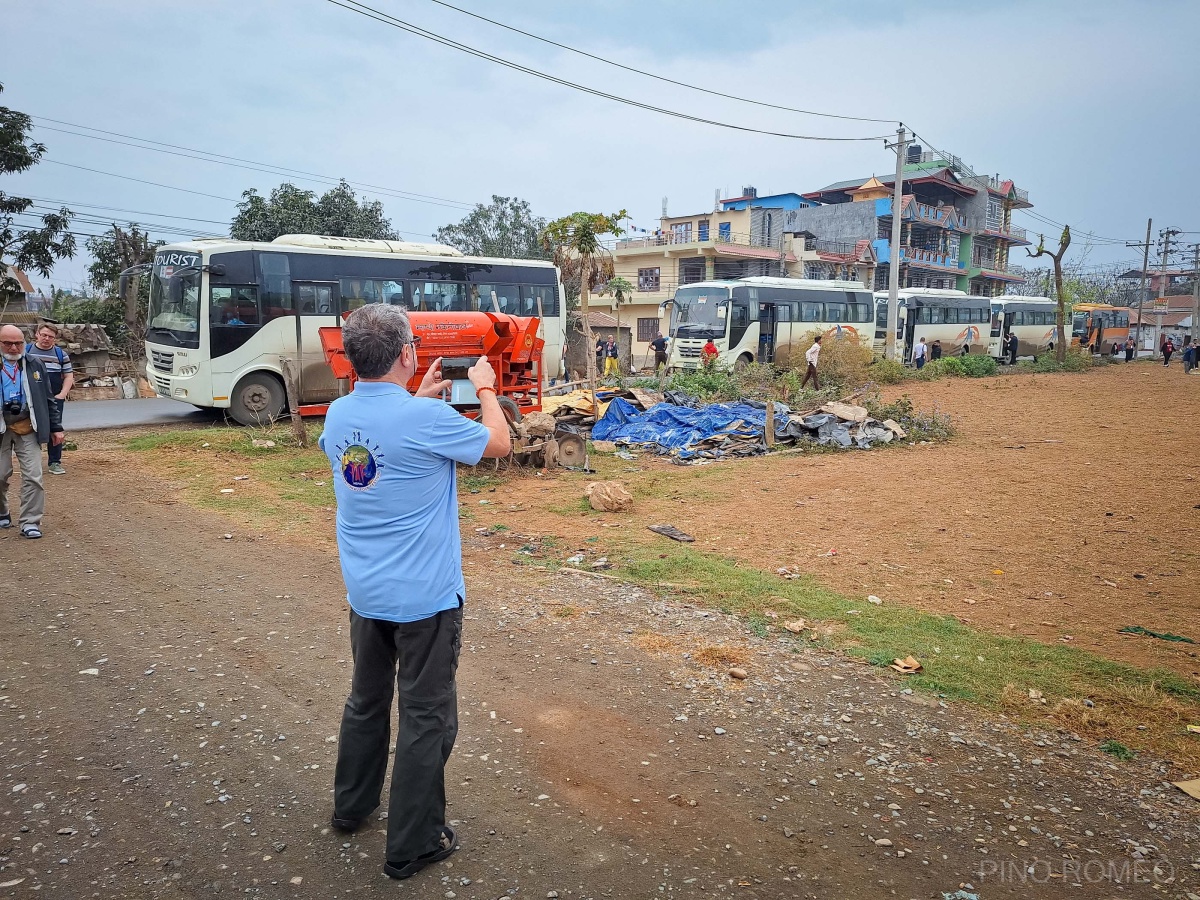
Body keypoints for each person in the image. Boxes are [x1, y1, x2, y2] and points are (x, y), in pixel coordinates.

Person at [319, 304, 510, 880]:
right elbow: (497, 444)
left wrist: (419, 398)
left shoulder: (336, 414)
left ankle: (351, 807)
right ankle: (413, 843)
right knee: (427, 716)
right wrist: (485, 389)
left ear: (352, 356)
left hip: (366, 591)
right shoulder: (423, 421)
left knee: (367, 701)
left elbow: (388, 436)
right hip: (424, 599)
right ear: (406, 353)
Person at [1, 324, 65, 539]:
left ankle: (30, 522)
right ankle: (2, 511)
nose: (13, 347)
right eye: (7, 343)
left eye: (18, 343)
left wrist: (56, 427)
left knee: (34, 477)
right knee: (0, 475)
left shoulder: (34, 363)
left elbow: (48, 398)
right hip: (1, 427)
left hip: (27, 425)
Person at [24, 323, 74, 475]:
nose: (47, 339)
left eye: (50, 336)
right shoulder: (26, 352)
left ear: (55, 338)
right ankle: (32, 463)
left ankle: (55, 462)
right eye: (44, 335)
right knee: (30, 429)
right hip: (31, 399)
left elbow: (68, 375)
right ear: (37, 334)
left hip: (54, 398)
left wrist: (62, 394)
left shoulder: (60, 355)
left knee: (56, 428)